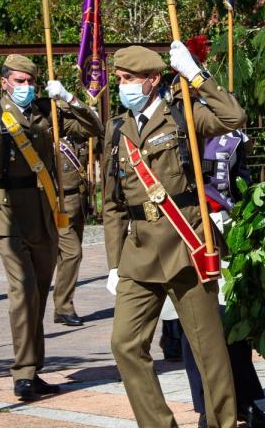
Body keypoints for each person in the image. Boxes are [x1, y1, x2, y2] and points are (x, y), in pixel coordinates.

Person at [103, 43, 245, 428]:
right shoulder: (118, 129)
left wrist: (197, 76)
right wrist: (113, 264)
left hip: (187, 245)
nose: (123, 85)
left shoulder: (183, 114)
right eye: (119, 79)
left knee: (208, 350)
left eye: (129, 79)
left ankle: (223, 423)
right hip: (138, 253)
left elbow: (233, 117)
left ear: (152, 81)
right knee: (125, 345)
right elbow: (112, 203)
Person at [0, 54, 102, 401]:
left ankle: (33, 369)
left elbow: (94, 128)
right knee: (22, 291)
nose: (25, 87)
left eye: (30, 82)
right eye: (19, 81)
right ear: (5, 81)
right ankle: (22, 373)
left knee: (37, 293)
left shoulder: (45, 112)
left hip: (43, 213)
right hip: (7, 214)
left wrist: (68, 99)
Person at [173, 35, 265, 428]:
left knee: (233, 320)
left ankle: (244, 398)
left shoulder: (230, 134)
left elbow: (241, 181)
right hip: (185, 229)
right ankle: (206, 406)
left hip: (224, 230)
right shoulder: (172, 124)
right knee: (194, 326)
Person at [51, 107, 102, 327]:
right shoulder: (46, 137)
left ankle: (60, 306)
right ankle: (63, 307)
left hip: (78, 203)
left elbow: (98, 130)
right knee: (73, 253)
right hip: (58, 205)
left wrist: (84, 110)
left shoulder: (79, 137)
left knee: (67, 257)